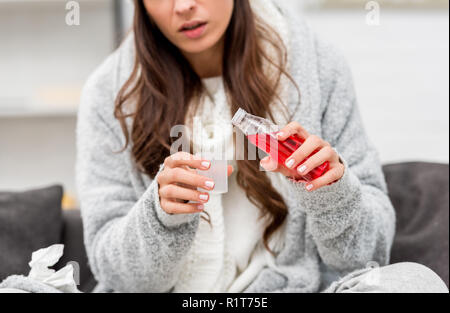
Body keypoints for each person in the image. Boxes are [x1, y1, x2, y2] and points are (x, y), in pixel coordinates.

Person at [75, 0, 448, 293]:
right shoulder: (108, 95)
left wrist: (333, 194)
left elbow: (366, 257)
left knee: (415, 283)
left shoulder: (318, 67)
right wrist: (161, 217)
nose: (183, 5)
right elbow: (120, 276)